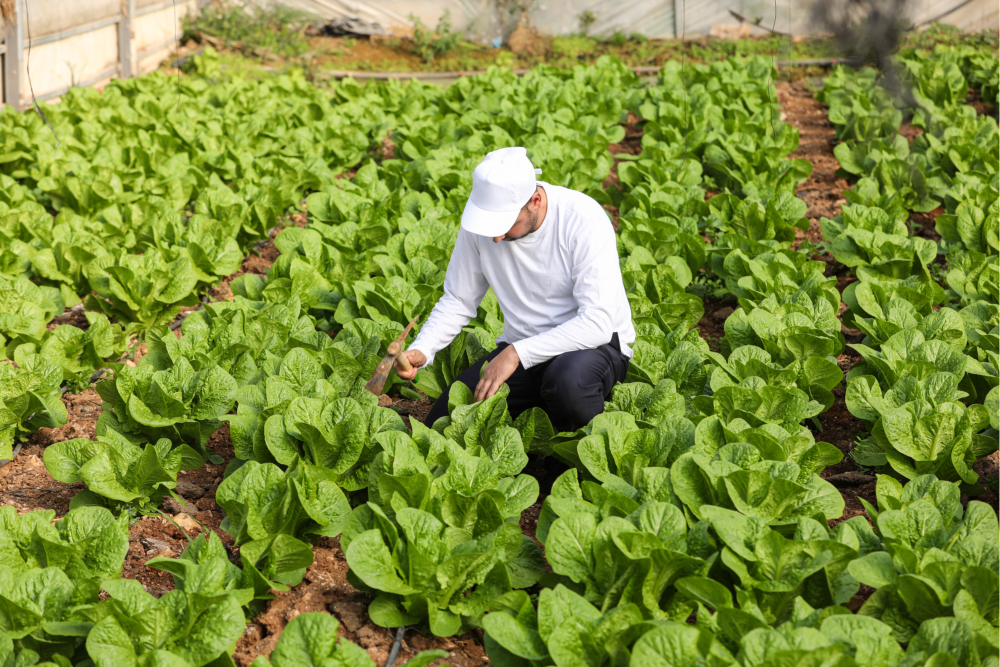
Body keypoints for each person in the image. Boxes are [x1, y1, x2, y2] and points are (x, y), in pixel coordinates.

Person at [394, 147, 635, 433]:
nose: (495, 237)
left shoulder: (582, 219)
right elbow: (459, 298)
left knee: (567, 384)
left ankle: (574, 458)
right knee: (446, 423)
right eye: (489, 226)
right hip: (523, 348)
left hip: (593, 348)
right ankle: (542, 409)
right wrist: (424, 348)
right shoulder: (481, 224)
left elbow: (598, 324)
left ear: (534, 200)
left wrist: (515, 354)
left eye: (506, 224)